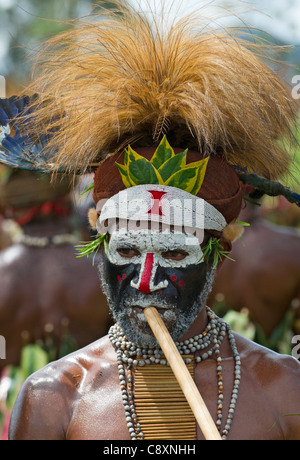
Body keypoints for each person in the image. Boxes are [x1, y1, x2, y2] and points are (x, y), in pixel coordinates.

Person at [1, 3, 300, 440]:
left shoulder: (285, 390)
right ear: (101, 250)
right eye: (126, 249)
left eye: (176, 253)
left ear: (216, 255)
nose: (145, 282)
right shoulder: (54, 398)